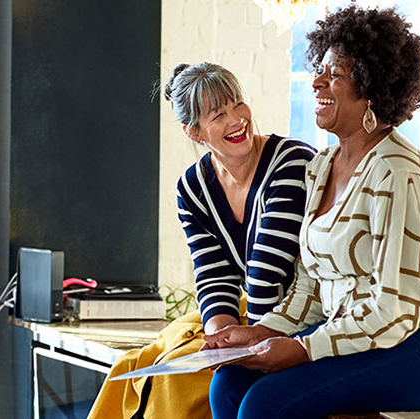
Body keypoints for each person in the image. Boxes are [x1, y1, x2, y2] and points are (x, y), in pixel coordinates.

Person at [205, 6, 420, 418]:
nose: (317, 82)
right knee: (231, 383)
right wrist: (261, 331)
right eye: (320, 70)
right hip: (383, 332)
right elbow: (310, 287)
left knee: (268, 402)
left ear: (371, 91)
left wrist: (303, 348)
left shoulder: (400, 177)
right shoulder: (323, 166)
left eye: (334, 75)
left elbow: (397, 312)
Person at [88, 62, 316, 419]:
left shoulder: (292, 162)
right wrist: (220, 334)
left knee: (211, 384)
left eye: (238, 104)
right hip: (251, 318)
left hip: (305, 318)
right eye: (218, 114)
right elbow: (212, 274)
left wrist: (247, 340)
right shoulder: (191, 188)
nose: (236, 120)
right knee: (145, 371)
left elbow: (267, 269)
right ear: (194, 132)